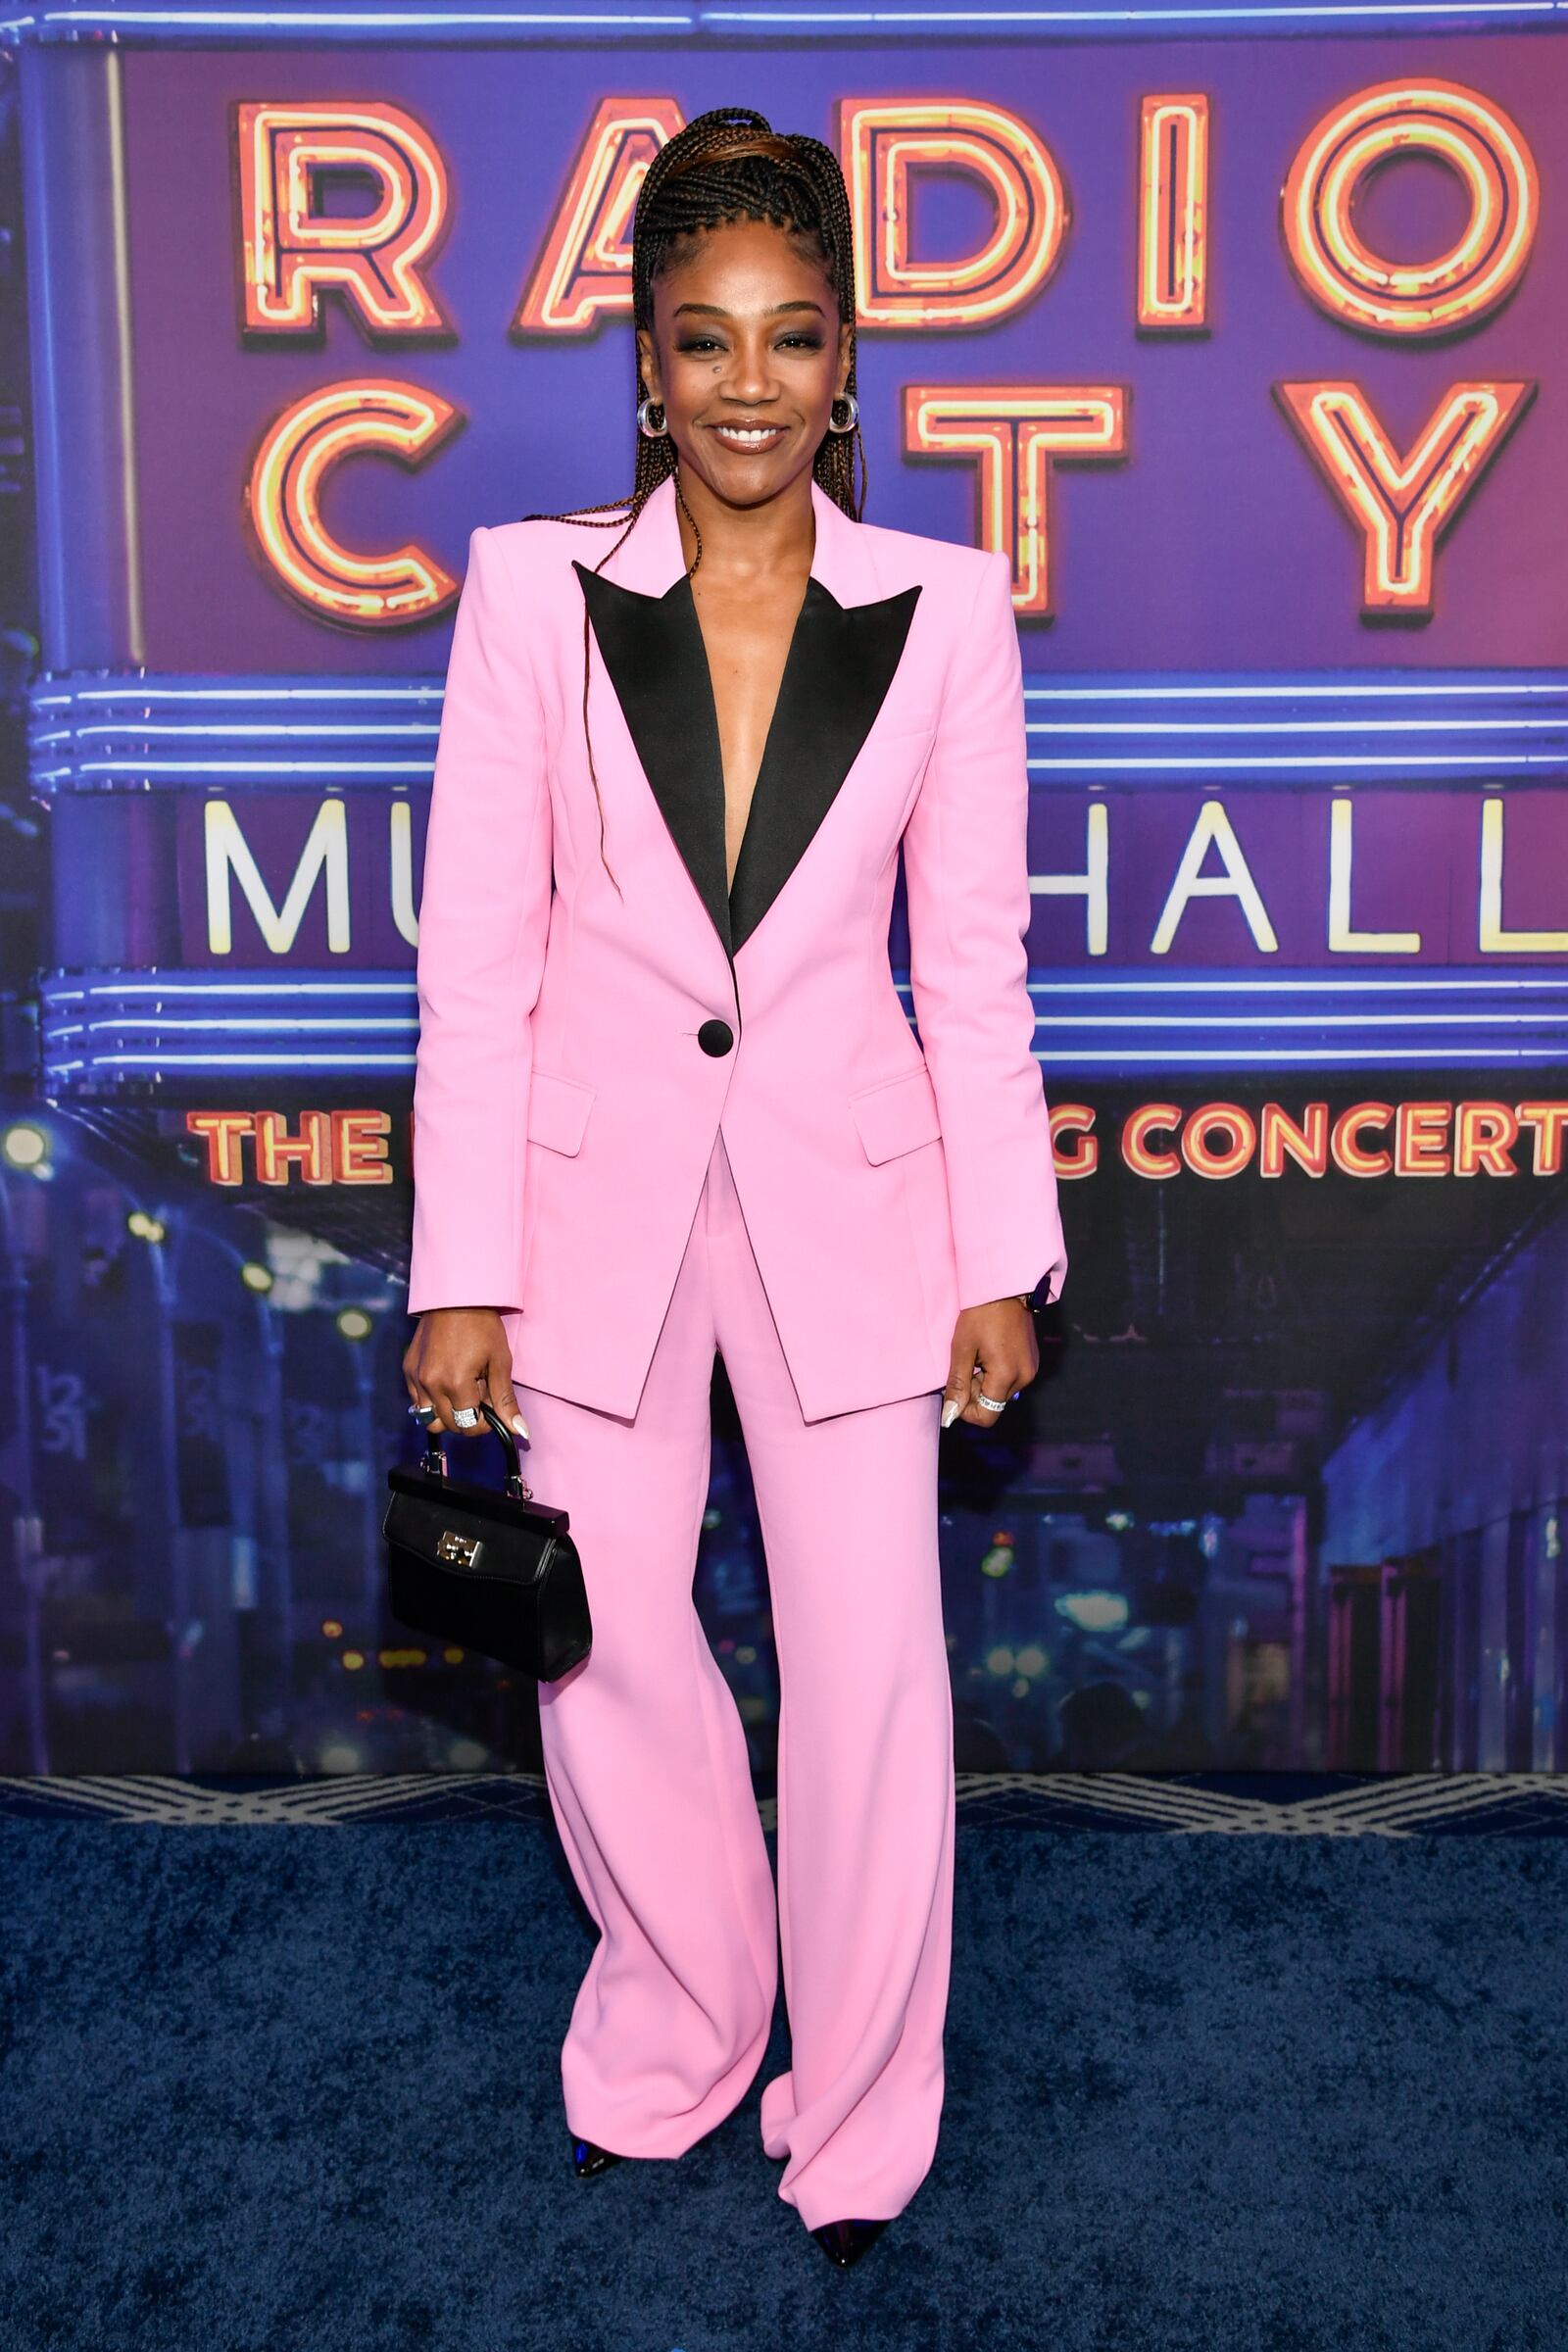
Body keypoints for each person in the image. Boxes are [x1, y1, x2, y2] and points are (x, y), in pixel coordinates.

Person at [401, 105, 1068, 2269]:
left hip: (850, 1203)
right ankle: (683, 2017)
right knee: (596, 1651)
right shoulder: (527, 593)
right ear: (647, 366)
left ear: (851, 357)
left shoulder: (947, 614)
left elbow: (969, 967)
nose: (749, 383)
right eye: (705, 341)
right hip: (586, 1198)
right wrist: (459, 1266)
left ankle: (860, 2111)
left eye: (790, 337)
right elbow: (474, 957)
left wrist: (997, 1252)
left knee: (868, 1674)